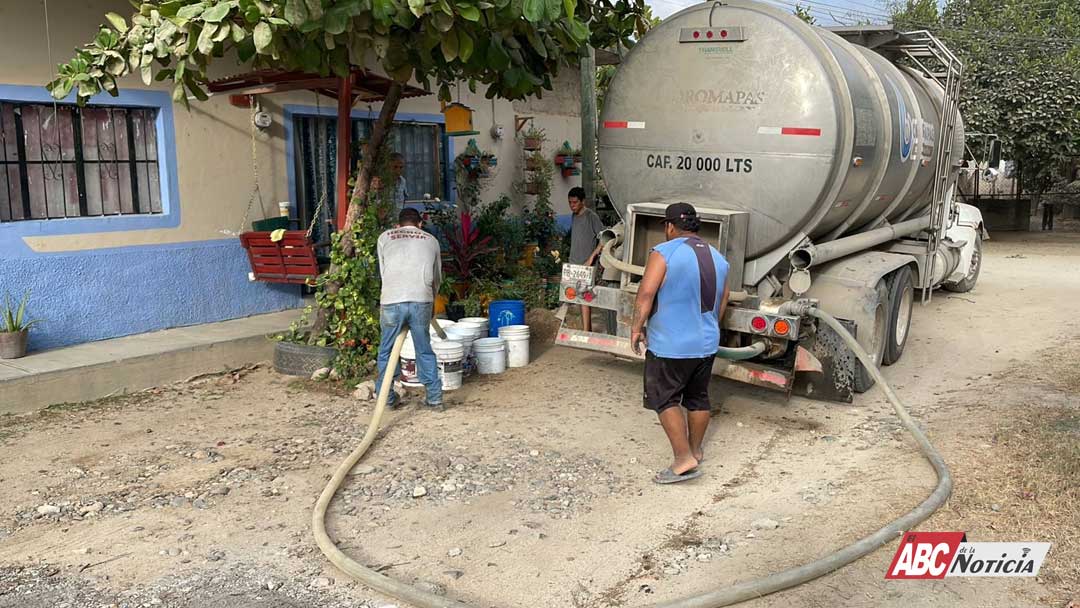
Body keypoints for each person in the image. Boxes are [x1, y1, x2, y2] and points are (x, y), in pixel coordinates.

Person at [630, 202, 730, 484]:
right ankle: (696, 450)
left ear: (670, 226)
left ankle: (682, 459)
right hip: (706, 343)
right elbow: (722, 301)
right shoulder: (718, 258)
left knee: (665, 398)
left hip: (671, 344)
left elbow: (646, 294)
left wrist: (636, 329)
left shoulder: (663, 253)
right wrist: (709, 329)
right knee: (698, 397)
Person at [374, 207, 444, 411]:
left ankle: (385, 398)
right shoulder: (431, 240)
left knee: (386, 350)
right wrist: (430, 302)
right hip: (421, 299)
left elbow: (384, 271)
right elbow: (436, 277)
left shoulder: (385, 237)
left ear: (398, 225)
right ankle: (435, 399)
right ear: (420, 224)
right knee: (424, 349)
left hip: (391, 300)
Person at [567, 186, 607, 332]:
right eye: (570, 203)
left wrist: (591, 258)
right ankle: (585, 329)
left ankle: (586, 331)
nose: (572, 206)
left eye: (575, 202)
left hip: (587, 264)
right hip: (574, 262)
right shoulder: (573, 216)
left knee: (585, 298)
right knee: (576, 297)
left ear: (583, 201)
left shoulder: (591, 217)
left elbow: (604, 240)